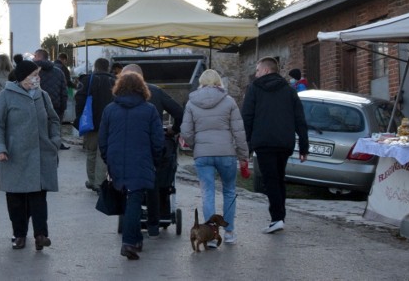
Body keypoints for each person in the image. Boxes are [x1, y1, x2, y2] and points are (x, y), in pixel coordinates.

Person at [0, 60, 61, 251]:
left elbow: (54, 120)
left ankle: (40, 235)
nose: (37, 78)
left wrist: (54, 140)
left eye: (38, 75)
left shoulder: (42, 95)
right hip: (14, 155)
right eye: (34, 75)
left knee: (39, 198)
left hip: (40, 154)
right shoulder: (6, 95)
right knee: (16, 200)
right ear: (23, 78)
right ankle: (19, 235)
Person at [99, 72, 164, 260]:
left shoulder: (110, 110)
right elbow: (157, 140)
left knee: (128, 200)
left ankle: (135, 239)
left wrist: (107, 158)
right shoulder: (149, 110)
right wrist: (155, 159)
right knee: (134, 199)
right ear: (141, 88)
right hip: (141, 160)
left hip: (116, 159)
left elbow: (103, 139)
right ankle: (129, 242)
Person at [180, 69, 249, 247]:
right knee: (229, 191)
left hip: (203, 155)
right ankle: (230, 233)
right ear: (219, 82)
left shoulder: (192, 103)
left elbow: (186, 132)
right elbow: (239, 133)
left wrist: (197, 145)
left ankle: (210, 236)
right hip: (226, 153)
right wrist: (243, 155)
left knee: (207, 193)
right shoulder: (229, 102)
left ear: (201, 83)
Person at [241, 57, 309, 234]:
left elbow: (247, 118)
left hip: (263, 142)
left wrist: (245, 147)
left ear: (265, 70)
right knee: (279, 178)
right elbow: (300, 120)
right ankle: (280, 217)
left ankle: (277, 218)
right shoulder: (289, 90)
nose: (255, 74)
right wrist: (303, 147)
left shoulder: (254, 89)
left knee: (270, 180)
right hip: (284, 142)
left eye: (257, 70)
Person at [120, 63, 184, 239]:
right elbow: (179, 112)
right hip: (155, 145)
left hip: (129, 146)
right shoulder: (156, 92)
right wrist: (173, 130)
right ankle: (154, 224)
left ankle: (132, 222)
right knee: (153, 183)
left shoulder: (119, 96)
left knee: (131, 186)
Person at [74, 57, 115, 191]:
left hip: (90, 122)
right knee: (103, 153)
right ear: (108, 67)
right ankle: (100, 182)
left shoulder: (87, 80)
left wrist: (79, 118)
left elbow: (79, 99)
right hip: (108, 122)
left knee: (91, 152)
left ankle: (91, 180)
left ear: (95, 67)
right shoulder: (114, 81)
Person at [33, 49, 69, 149]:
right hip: (55, 108)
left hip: (36, 108)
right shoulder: (59, 72)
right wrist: (62, 109)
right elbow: (64, 92)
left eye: (35, 56)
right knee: (54, 134)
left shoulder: (32, 72)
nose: (33, 58)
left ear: (38, 56)